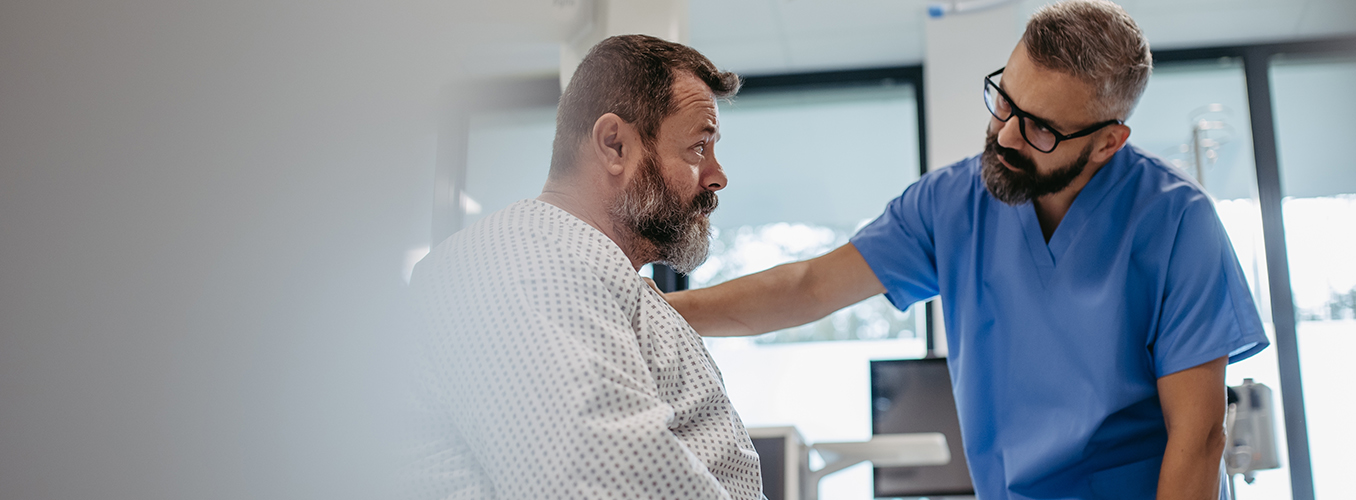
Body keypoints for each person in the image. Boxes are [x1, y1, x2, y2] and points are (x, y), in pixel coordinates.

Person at [666, 1, 1269, 499]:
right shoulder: (952, 203)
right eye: (1004, 100)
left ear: (1108, 142)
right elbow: (810, 287)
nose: (1005, 134)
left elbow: (1199, 438)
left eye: (1040, 128)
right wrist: (655, 307)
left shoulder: (1177, 222)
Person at [405, 35, 760, 500]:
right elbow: (603, 486)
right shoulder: (523, 266)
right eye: (698, 147)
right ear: (614, 145)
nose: (717, 176)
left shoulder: (586, 272)